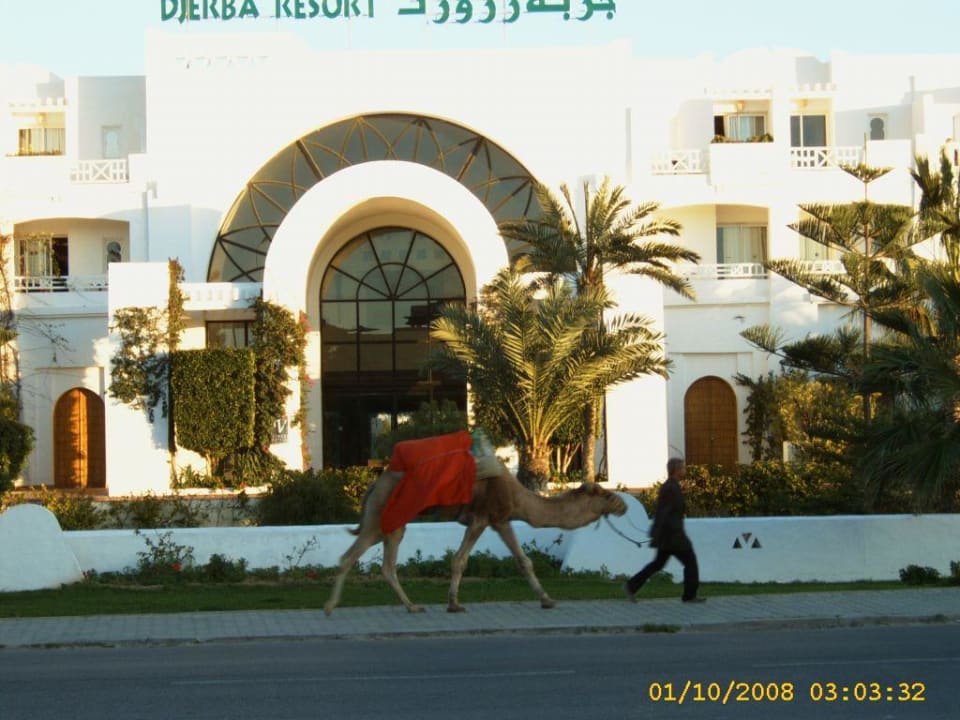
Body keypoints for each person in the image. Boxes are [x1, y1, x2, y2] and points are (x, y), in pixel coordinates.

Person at [624, 457, 705, 603]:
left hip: (668, 535)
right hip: (673, 535)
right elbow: (664, 512)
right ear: (676, 470)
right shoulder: (671, 488)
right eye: (683, 468)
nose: (684, 471)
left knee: (657, 564)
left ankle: (631, 586)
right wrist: (662, 532)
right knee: (690, 562)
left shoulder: (671, 486)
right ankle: (689, 596)